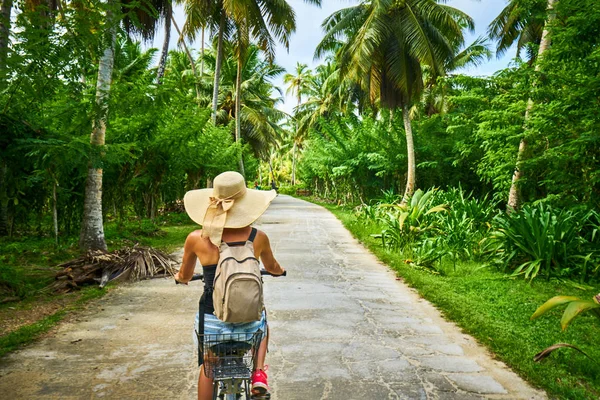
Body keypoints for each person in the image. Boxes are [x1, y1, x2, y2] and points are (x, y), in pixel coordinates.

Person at [174, 171, 285, 400]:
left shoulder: (196, 238)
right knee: (263, 320)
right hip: (248, 325)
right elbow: (273, 266)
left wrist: (181, 278)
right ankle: (258, 374)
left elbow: (184, 275)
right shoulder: (258, 237)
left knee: (208, 366)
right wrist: (279, 272)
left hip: (212, 323)